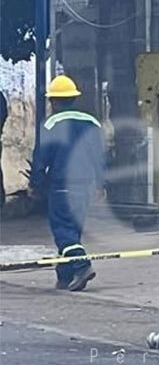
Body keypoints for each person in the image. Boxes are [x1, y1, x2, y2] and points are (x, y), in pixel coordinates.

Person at [29, 75, 105, 291]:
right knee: (74, 232)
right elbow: (99, 157)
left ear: (53, 101)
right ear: (73, 98)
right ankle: (65, 276)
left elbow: (41, 158)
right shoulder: (92, 122)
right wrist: (100, 184)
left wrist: (35, 184)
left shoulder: (51, 123)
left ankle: (82, 266)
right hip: (84, 186)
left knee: (63, 231)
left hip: (62, 185)